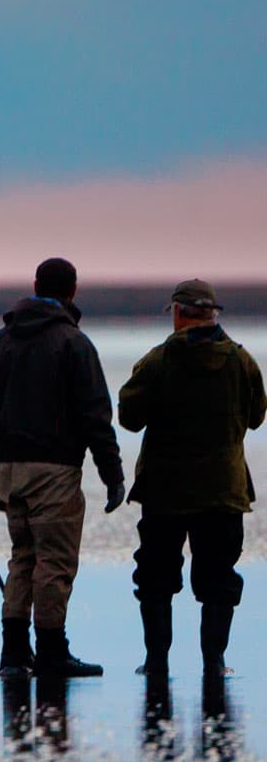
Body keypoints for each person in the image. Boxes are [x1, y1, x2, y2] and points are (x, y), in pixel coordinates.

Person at [0, 258, 124, 677]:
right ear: (73, 291)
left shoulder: (2, 340)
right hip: (55, 470)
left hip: (10, 469)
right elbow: (96, 415)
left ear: (35, 285)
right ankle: (50, 652)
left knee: (22, 559)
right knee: (54, 563)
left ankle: (12, 654)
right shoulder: (73, 342)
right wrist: (112, 475)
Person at [117, 280, 265, 676]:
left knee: (155, 578)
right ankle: (214, 663)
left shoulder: (157, 361)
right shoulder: (241, 361)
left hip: (164, 491)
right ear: (213, 315)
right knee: (218, 579)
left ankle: (156, 661)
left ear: (179, 313)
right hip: (223, 492)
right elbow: (256, 416)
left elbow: (129, 419)